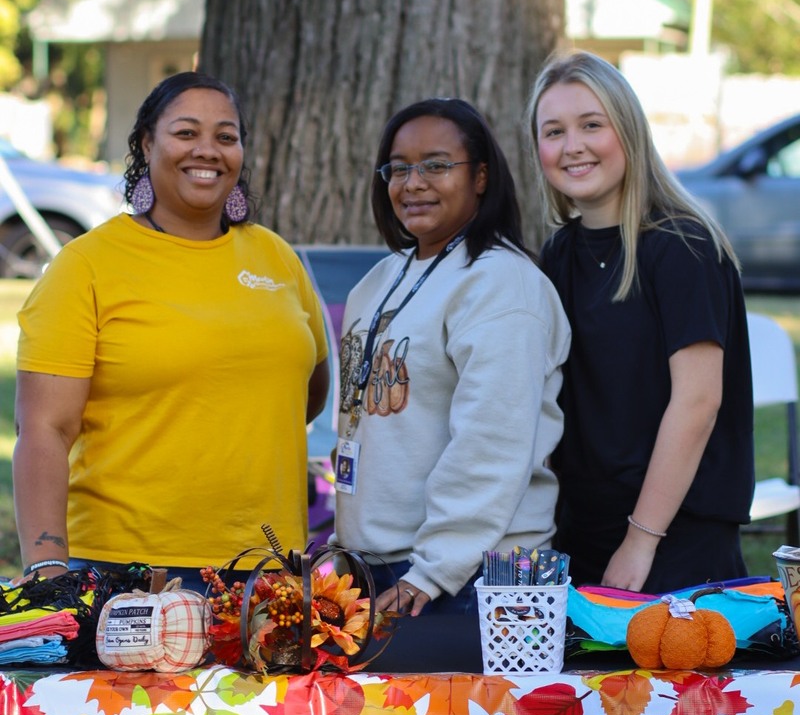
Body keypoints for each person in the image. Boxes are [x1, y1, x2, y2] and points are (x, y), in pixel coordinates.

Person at [13, 71, 329, 590]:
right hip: (129, 573)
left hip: (267, 574)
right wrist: (47, 568)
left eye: (226, 137)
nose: (207, 150)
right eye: (186, 133)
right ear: (146, 143)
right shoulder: (87, 265)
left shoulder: (276, 257)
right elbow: (44, 429)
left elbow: (306, 392)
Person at [331, 97, 571, 628]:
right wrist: (344, 545)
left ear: (481, 177)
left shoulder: (500, 284)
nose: (413, 182)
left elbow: (491, 442)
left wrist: (432, 571)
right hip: (382, 572)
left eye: (437, 165)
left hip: (470, 580)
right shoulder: (377, 283)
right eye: (399, 168)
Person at [526, 49, 754, 594]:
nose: (572, 146)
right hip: (583, 533)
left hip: (672, 540)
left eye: (591, 125)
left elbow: (698, 403)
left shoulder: (681, 246)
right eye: (553, 131)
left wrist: (641, 541)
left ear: (627, 130)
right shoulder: (558, 255)